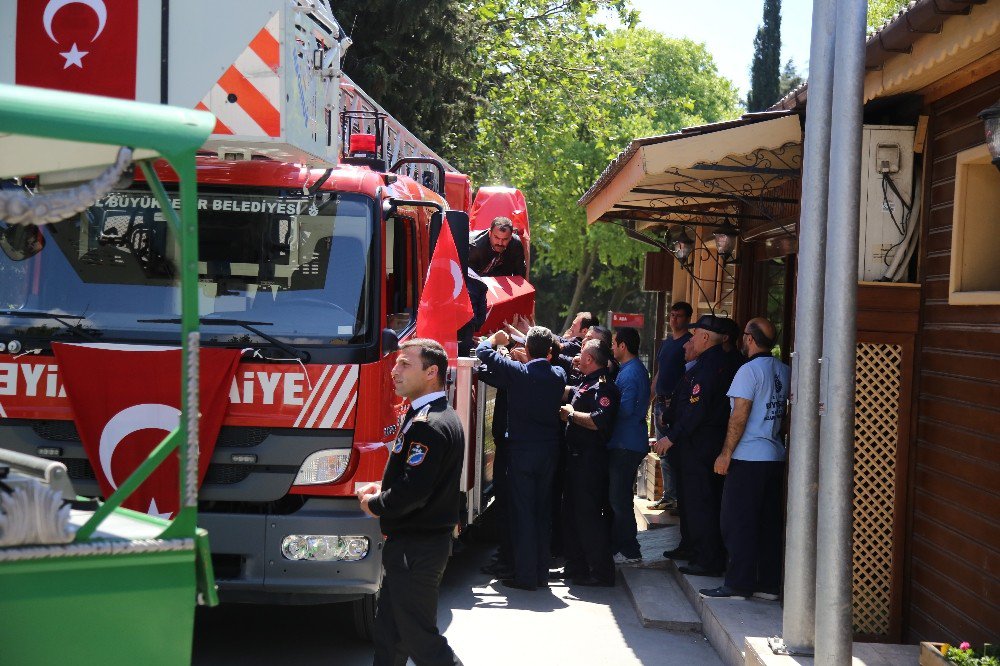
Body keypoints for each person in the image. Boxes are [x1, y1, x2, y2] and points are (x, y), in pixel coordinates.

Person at [357, 339, 464, 666]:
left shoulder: (429, 424)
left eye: (405, 364)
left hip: (416, 549)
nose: (395, 370)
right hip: (414, 546)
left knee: (421, 641)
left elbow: (413, 492)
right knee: (390, 637)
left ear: (432, 372)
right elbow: (417, 480)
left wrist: (376, 503)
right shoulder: (431, 415)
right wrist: (385, 488)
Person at [700, 317, 790, 601]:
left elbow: (740, 414)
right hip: (775, 455)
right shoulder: (784, 370)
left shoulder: (748, 371)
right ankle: (767, 584)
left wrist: (726, 453)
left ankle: (738, 584)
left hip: (748, 456)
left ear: (749, 339)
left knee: (736, 521)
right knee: (768, 522)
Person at [476, 326, 566, 591]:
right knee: (541, 513)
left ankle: (526, 576)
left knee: (524, 514)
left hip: (522, 452)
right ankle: (540, 573)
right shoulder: (558, 374)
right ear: (549, 352)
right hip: (549, 451)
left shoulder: (517, 373)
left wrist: (495, 339)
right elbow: (551, 365)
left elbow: (483, 352)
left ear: (526, 350)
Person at [653, 315, 740, 576]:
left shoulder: (711, 366)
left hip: (702, 445)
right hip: (696, 444)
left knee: (701, 502)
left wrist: (672, 436)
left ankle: (707, 559)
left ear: (704, 337)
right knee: (692, 501)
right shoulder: (706, 363)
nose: (688, 341)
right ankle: (693, 549)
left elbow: (696, 411)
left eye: (693, 336)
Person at [557, 340, 620, 586]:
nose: (577, 358)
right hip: (574, 459)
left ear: (590, 359)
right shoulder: (585, 382)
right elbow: (568, 391)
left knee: (588, 517)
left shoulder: (604, 388)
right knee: (570, 515)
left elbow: (598, 421)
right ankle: (576, 567)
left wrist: (571, 414)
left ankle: (601, 572)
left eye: (582, 354)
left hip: (590, 462)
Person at [606, 327, 650, 565]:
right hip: (627, 441)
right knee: (621, 496)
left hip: (626, 443)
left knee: (618, 498)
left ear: (623, 346)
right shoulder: (630, 370)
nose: (612, 348)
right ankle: (624, 546)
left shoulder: (631, 373)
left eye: (614, 343)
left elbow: (625, 409)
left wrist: (600, 411)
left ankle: (629, 548)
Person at [648, 301, 693, 511]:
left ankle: (679, 498)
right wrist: (650, 397)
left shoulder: (689, 344)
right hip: (660, 403)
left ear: (688, 319)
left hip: (674, 406)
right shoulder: (666, 343)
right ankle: (669, 496)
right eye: (672, 315)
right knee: (663, 453)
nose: (674, 319)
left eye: (679, 316)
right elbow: (660, 372)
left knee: (675, 451)